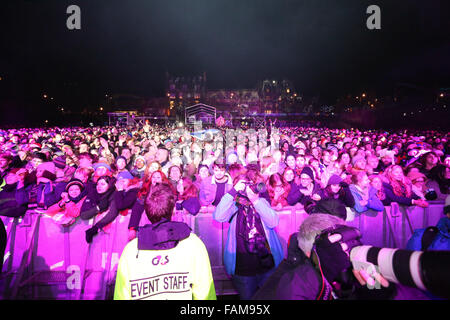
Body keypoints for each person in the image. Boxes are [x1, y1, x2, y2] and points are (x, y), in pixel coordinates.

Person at [252, 213, 392, 300]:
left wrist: (376, 290)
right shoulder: (295, 283)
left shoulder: (349, 267)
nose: (347, 249)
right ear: (312, 252)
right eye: (339, 245)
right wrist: (323, 276)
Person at [114, 183, 216, 300]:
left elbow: (121, 296)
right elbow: (205, 294)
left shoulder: (131, 250)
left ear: (146, 211)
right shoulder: (193, 244)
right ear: (173, 210)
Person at [213, 173, 284, 300]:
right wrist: (233, 192)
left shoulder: (261, 202)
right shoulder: (234, 206)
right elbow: (218, 216)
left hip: (267, 266)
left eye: (247, 184)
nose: (245, 189)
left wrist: (255, 200)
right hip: (243, 269)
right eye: (242, 186)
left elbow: (273, 222)